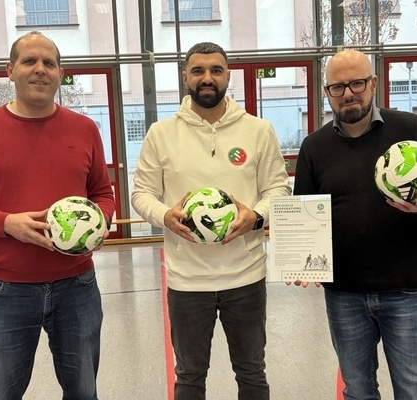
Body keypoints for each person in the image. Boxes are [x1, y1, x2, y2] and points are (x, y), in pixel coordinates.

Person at [0, 31, 115, 400]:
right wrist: (7, 224)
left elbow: (102, 193)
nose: (40, 70)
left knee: (84, 392)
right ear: (10, 70)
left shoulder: (85, 129)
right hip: (5, 291)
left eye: (49, 63)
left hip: (77, 287)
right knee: (0, 394)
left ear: (60, 73)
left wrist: (99, 221)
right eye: (30, 61)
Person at [293, 49, 417, 400]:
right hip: (344, 293)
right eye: (337, 87)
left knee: (414, 391)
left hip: (407, 289)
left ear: (373, 83)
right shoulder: (314, 147)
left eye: (356, 83)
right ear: (326, 92)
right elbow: (303, 211)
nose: (348, 93)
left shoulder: (410, 129)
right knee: (358, 391)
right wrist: (300, 258)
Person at [131, 42, 291, 399]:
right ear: (185, 77)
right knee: (189, 376)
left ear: (227, 76)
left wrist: (255, 216)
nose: (207, 78)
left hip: (246, 276)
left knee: (252, 372)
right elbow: (141, 194)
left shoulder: (258, 130)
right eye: (198, 71)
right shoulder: (161, 133)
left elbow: (278, 190)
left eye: (216, 70)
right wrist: (165, 215)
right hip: (187, 280)